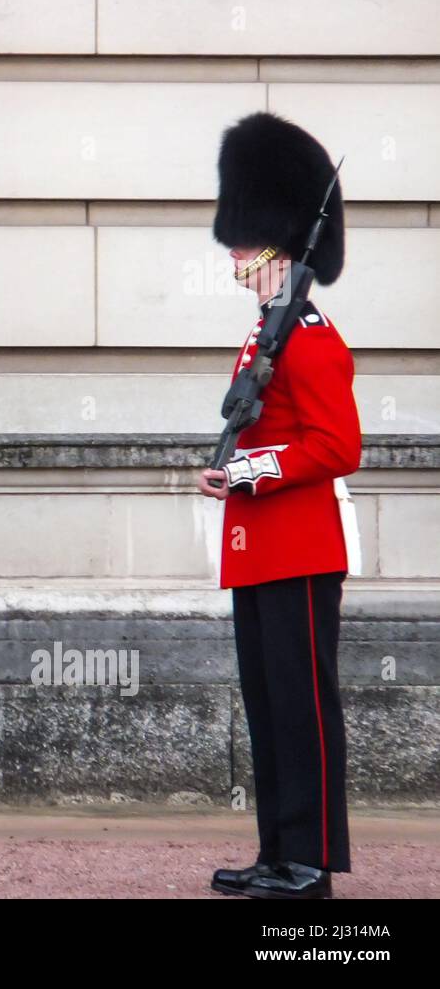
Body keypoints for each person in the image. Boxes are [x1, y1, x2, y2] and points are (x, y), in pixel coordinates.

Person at [199, 112, 361, 899]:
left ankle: (311, 862)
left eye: (243, 240)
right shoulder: (263, 334)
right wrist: (226, 472)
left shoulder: (310, 335)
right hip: (260, 549)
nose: (232, 252)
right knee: (267, 708)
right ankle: (277, 852)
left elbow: (339, 446)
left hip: (299, 549)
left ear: (276, 241)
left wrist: (251, 473)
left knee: (302, 707)